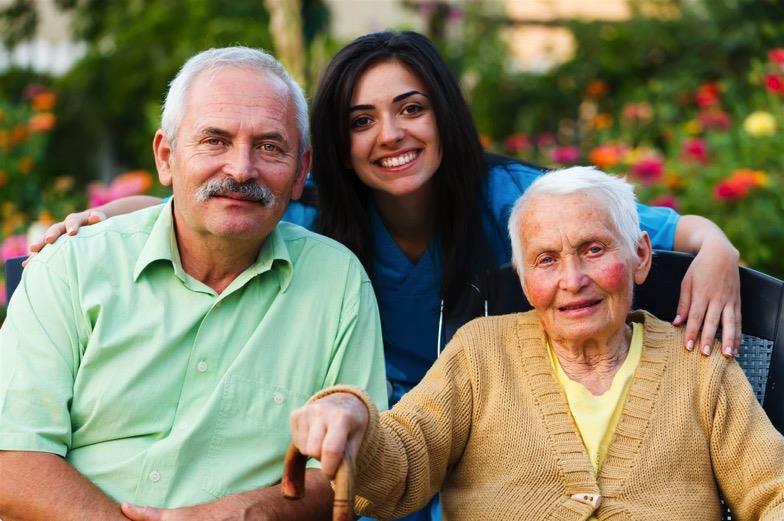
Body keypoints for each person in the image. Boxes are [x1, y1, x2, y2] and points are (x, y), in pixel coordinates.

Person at [27, 31, 742, 521]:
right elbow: (222, 199)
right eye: (362, 120)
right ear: (333, 147)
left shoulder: (517, 201)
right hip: (375, 459)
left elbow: (653, 228)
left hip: (497, 450)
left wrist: (716, 253)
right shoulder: (317, 225)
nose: (390, 135)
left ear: (444, 116)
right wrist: (123, 216)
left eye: (411, 109)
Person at [0, 47, 387, 521]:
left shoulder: (336, 281)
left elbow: (349, 466)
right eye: (215, 141)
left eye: (269, 146)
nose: (242, 169)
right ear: (166, 157)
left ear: (301, 170)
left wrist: (248, 513)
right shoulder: (73, 267)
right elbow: (11, 457)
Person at [289, 167, 784, 521]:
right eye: (546, 260)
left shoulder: (699, 365)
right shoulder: (481, 353)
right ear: (524, 281)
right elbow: (402, 463)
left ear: (639, 255)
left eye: (593, 249)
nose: (573, 279)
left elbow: (771, 488)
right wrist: (353, 416)